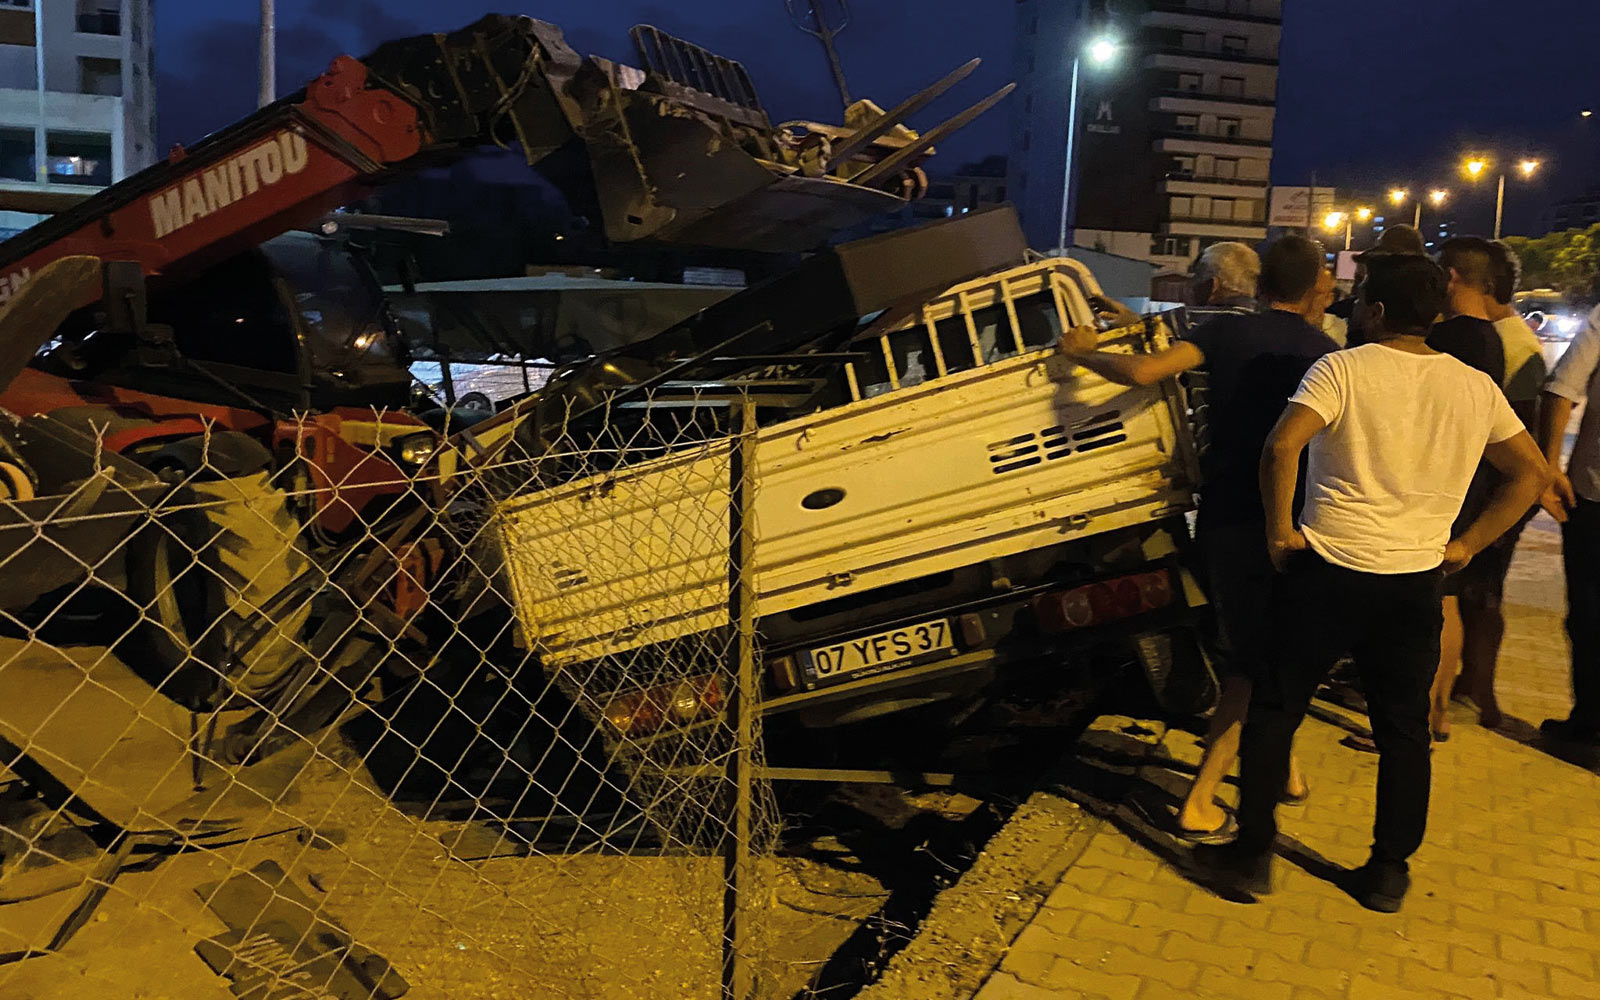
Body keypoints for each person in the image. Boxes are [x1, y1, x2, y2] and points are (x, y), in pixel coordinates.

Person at [1204, 253, 1549, 912]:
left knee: (1276, 711)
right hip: (1413, 581)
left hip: (1326, 570)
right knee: (1403, 731)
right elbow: (1529, 472)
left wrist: (1280, 530)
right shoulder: (1473, 385)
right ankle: (1387, 872)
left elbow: (1282, 447)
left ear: (1377, 311)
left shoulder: (1342, 367)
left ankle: (1252, 854)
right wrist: (1470, 544)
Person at [1057, 236, 1331, 841]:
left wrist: (1080, 354)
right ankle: (1259, 777)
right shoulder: (1327, 351)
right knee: (1267, 654)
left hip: (1230, 516)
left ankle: (1207, 795)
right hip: (1298, 522)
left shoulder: (1228, 336)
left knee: (1246, 657)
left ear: (1259, 288)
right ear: (1314, 288)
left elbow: (1142, 371)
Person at [1449, 241, 1550, 728]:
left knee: (1480, 594)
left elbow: (1519, 431)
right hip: (1489, 491)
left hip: (1493, 494)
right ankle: (1469, 689)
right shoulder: (1503, 337)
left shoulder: (1513, 344)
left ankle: (1481, 695)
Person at [1421, 237, 1508, 742]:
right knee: (1447, 597)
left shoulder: (1451, 339)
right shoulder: (1491, 338)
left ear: (1450, 277)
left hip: (1444, 481)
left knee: (1433, 602)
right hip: (1472, 481)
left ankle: (1422, 711)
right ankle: (1437, 712)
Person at [1538, 300, 1600, 747]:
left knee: (1590, 614)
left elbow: (1561, 388)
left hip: (1595, 494)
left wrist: (1549, 466)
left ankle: (1588, 723)